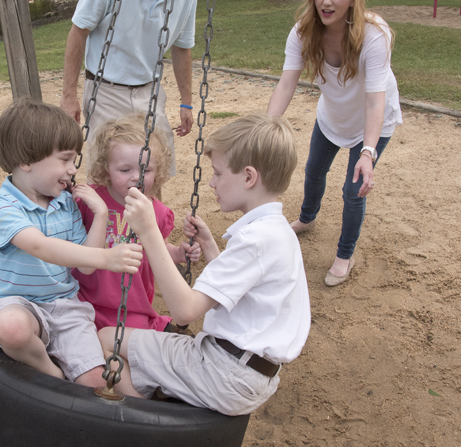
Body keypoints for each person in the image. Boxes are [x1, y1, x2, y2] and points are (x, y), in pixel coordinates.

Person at [98, 114, 311, 416]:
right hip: (253, 374)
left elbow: (185, 310)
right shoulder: (278, 232)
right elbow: (243, 291)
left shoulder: (255, 240)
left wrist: (148, 231)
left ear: (249, 177)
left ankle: (144, 420)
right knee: (142, 346)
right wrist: (211, 247)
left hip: (221, 372)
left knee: (106, 338)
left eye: (218, 173)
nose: (211, 182)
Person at [0, 98, 143, 387]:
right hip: (19, 305)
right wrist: (108, 258)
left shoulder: (65, 204)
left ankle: (69, 373)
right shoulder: (1, 206)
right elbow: (40, 246)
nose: (72, 169)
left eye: (74, 160)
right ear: (26, 160)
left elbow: (85, 266)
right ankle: (50, 371)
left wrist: (101, 213)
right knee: (11, 327)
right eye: (65, 159)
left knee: (97, 382)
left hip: (66, 307)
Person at [267, 0, 402, 286]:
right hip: (333, 117)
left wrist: (368, 152)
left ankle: (345, 253)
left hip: (373, 122)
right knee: (314, 170)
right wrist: (265, 126)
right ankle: (307, 218)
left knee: (353, 190)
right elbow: (287, 83)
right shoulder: (303, 32)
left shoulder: (374, 34)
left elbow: (374, 99)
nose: (327, 2)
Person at [61, 0, 203, 176]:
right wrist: (69, 97)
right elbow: (78, 32)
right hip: (105, 90)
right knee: (105, 172)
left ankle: (151, 220)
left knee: (155, 169)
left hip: (149, 92)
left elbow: (182, 47)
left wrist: (186, 102)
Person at [73, 115, 200, 332]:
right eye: (125, 170)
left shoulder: (157, 213)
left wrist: (178, 253)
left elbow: (158, 249)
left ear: (158, 170)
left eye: (146, 170)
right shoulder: (90, 201)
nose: (136, 178)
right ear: (106, 168)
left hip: (131, 308)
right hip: (84, 302)